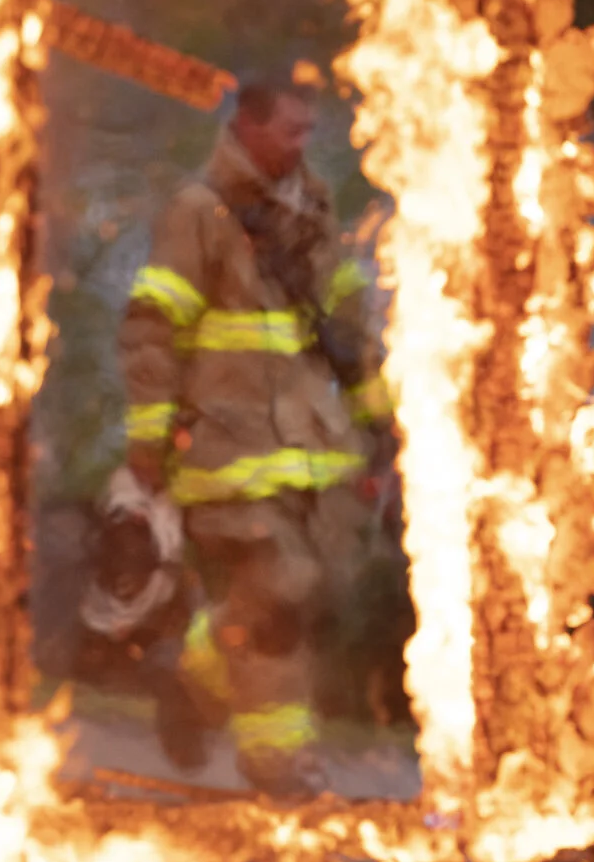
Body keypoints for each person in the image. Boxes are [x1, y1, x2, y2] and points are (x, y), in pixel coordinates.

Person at [111, 75, 388, 799]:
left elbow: (347, 329)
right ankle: (277, 764)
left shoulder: (311, 213)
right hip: (226, 451)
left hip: (308, 451)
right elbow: (152, 327)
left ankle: (196, 672)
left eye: (308, 132)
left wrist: (379, 421)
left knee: (308, 591)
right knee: (280, 594)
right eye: (290, 131)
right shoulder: (196, 214)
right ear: (248, 126)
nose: (302, 146)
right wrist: (149, 434)